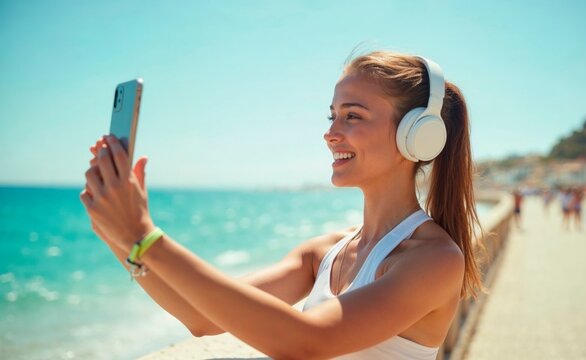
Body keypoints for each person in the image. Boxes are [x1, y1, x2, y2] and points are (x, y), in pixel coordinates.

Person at [80, 51, 483, 359]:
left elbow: (308, 341)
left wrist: (145, 235)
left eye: (352, 116)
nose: (330, 134)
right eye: (332, 116)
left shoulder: (435, 259)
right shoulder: (325, 252)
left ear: (417, 136)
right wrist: (120, 237)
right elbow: (202, 317)